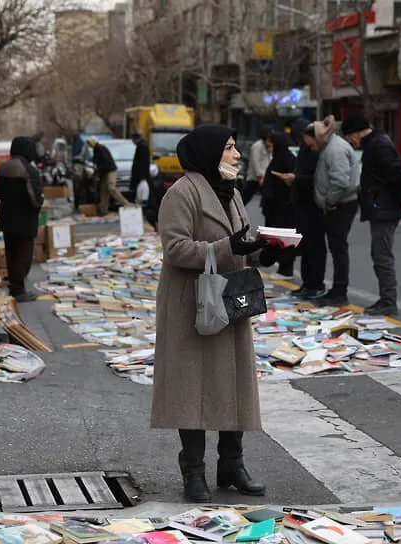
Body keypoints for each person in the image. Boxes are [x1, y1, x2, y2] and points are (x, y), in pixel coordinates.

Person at [151, 124, 292, 503]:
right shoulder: (182, 193)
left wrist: (269, 249)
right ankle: (193, 473)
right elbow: (176, 249)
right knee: (191, 390)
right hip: (192, 304)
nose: (236, 155)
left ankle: (231, 466)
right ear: (211, 153)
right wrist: (228, 246)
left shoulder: (230, 193)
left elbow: (239, 244)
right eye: (230, 148)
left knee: (234, 386)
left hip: (229, 301)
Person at [340, 113, 401, 316]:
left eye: (349, 137)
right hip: (383, 207)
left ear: (355, 133)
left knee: (382, 256)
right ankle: (386, 299)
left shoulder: (378, 145)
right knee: (379, 254)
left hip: (385, 209)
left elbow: (395, 176)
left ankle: (389, 301)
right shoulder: (376, 143)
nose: (351, 142)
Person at [309, 116, 360, 307]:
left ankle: (340, 290)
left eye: (312, 142)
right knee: (337, 248)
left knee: (339, 249)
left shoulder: (335, 149)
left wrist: (330, 201)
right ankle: (338, 289)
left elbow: (340, 181)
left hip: (340, 205)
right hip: (338, 203)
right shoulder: (332, 147)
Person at [0, 136, 45, 302]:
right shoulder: (28, 169)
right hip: (24, 219)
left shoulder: (3, 167)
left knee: (11, 253)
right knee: (24, 255)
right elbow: (35, 198)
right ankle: (18, 289)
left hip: (6, 217)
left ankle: (15, 286)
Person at [280, 118, 326, 298]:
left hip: (313, 205)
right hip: (301, 204)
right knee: (305, 247)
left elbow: (317, 178)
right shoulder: (304, 149)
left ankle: (316, 284)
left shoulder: (316, 151)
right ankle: (307, 283)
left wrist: (296, 178)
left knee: (315, 247)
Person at [260, 132, 297, 278]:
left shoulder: (287, 160)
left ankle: (286, 269)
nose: (269, 150)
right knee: (276, 238)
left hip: (284, 207)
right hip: (275, 207)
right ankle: (281, 266)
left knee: (284, 238)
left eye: (270, 146)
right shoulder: (277, 160)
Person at [89, 137, 128, 213]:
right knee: (104, 190)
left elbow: (105, 163)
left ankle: (126, 203)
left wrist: (97, 174)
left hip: (110, 170)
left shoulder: (100, 149)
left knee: (111, 188)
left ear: (93, 142)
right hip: (104, 171)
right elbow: (97, 162)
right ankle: (103, 210)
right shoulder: (96, 150)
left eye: (90, 143)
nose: (89, 145)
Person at [242, 131, 271, 204]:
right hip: (256, 177)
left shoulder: (265, 145)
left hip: (263, 176)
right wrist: (260, 176)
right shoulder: (257, 146)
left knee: (266, 196)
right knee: (246, 196)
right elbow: (255, 161)